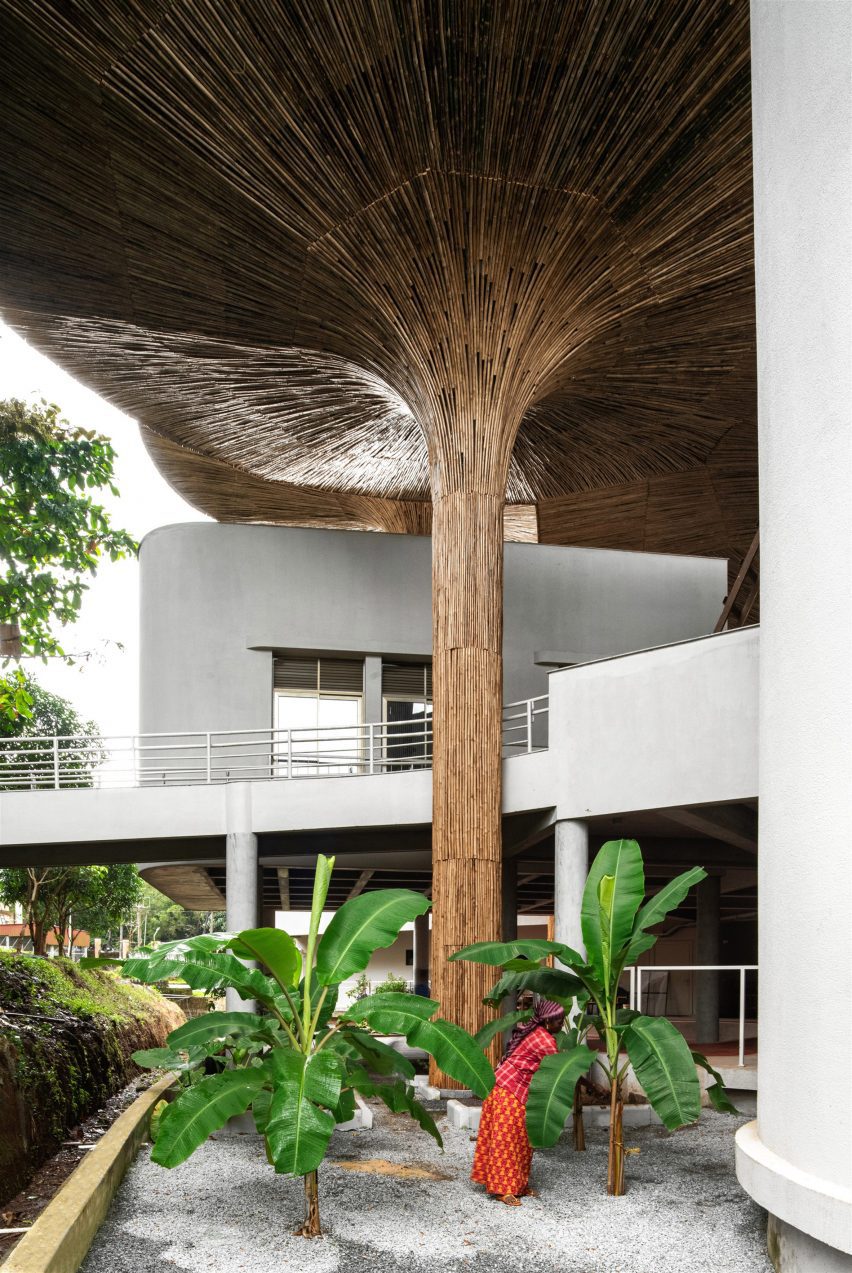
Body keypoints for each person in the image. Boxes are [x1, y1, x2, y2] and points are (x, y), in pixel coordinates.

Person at [471, 997, 565, 1205]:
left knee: (522, 1141)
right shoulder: (544, 1040)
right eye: (559, 1021)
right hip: (508, 1090)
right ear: (548, 1022)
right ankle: (502, 1189)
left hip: (510, 1089)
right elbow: (562, 1068)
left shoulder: (537, 1033)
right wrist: (592, 1086)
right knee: (507, 1141)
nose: (562, 1025)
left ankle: (518, 1185)